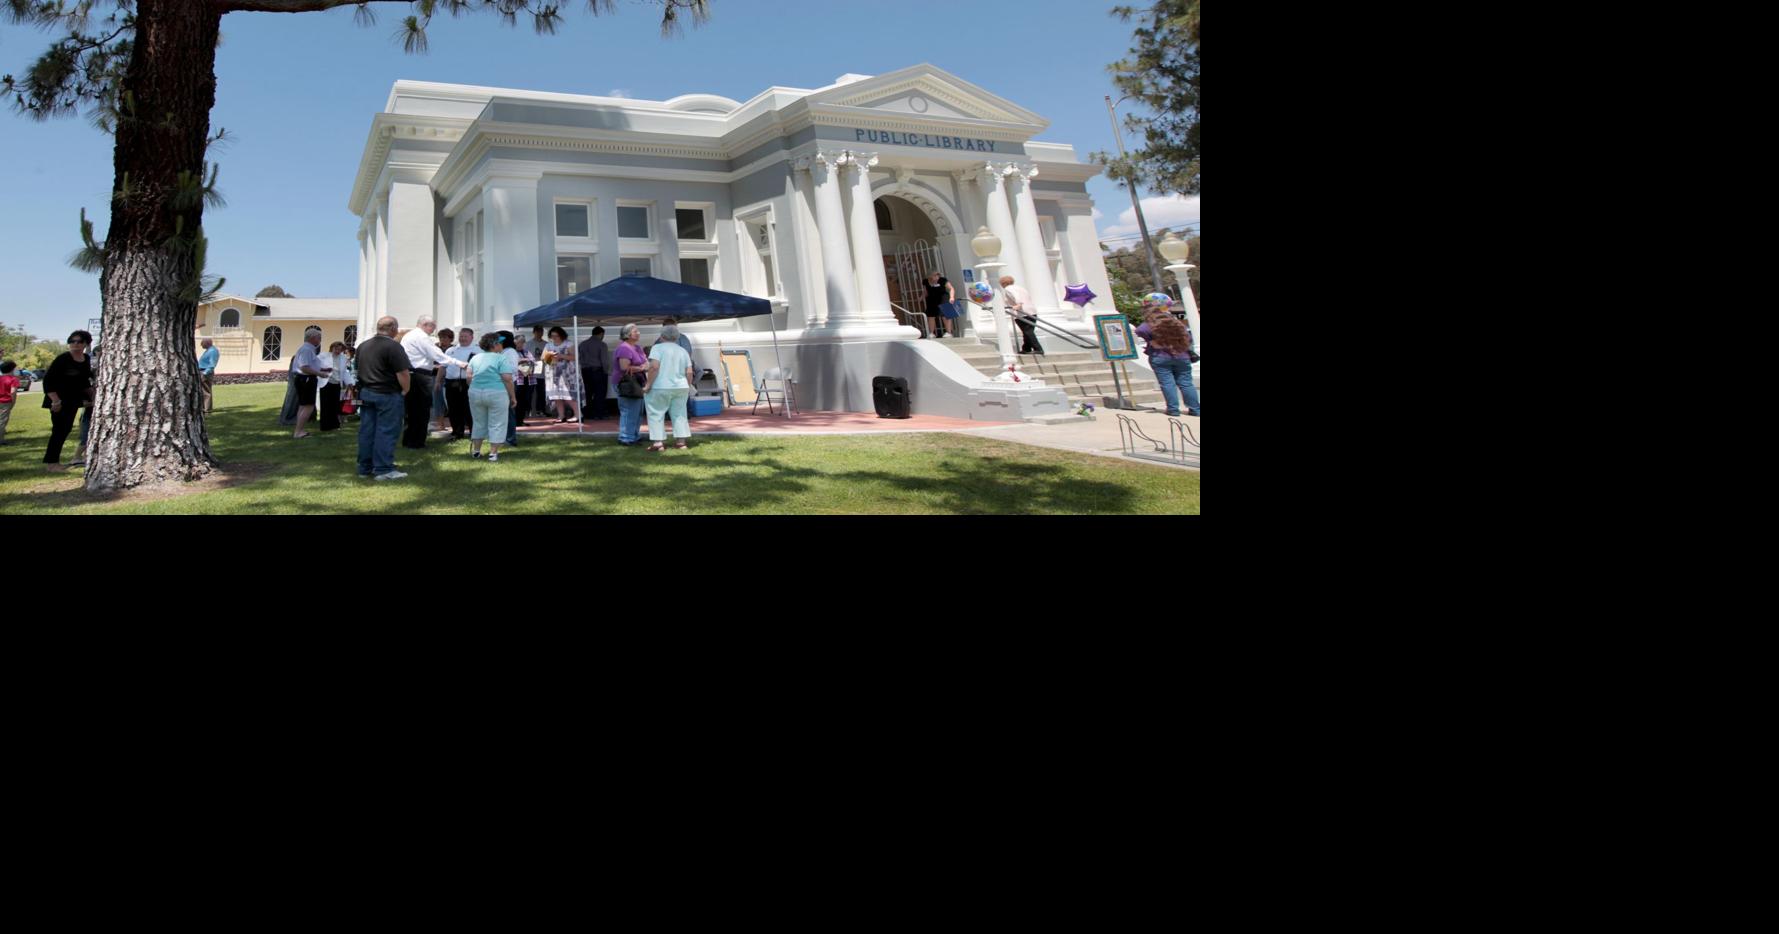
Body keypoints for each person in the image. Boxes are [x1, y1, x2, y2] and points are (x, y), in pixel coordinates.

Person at [355, 316, 412, 480]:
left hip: (366, 392)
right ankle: (383, 469)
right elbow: (402, 372)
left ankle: (364, 468)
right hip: (386, 393)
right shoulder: (393, 346)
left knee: (367, 430)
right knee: (386, 430)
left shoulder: (363, 346)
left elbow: (357, 368)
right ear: (393, 328)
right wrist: (405, 390)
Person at [399, 315, 460, 449]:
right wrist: (457, 362)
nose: (434, 329)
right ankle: (417, 442)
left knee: (411, 410)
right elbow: (435, 354)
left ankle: (409, 440)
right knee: (421, 409)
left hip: (411, 374)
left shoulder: (409, 335)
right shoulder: (421, 337)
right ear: (426, 324)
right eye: (433, 326)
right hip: (420, 376)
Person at [41, 329, 93, 470]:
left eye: (79, 341)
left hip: (73, 400)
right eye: (72, 341)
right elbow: (48, 380)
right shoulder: (63, 358)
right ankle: (52, 464)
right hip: (58, 401)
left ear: (86, 344)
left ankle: (53, 462)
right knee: (59, 430)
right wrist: (55, 400)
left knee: (66, 429)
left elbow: (84, 381)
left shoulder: (86, 359)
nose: (75, 344)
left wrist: (93, 395)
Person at [1136, 307, 1201, 418]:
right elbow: (1188, 338)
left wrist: (1151, 340)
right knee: (1186, 383)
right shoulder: (1176, 323)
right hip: (1182, 356)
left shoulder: (1149, 324)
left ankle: (1173, 409)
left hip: (1160, 356)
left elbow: (1139, 330)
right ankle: (1195, 409)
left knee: (1167, 383)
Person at [644, 322, 696, 451]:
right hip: (681, 386)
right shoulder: (683, 350)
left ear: (662, 336)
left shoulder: (657, 348)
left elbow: (654, 367)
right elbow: (689, 372)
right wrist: (688, 386)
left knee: (656, 414)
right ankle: (681, 442)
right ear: (677, 337)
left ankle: (658, 443)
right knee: (680, 414)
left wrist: (648, 385)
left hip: (660, 386)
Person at [466, 332, 517, 462]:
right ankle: (493, 453)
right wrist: (513, 396)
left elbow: (468, 377)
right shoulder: (501, 358)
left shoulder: (475, 358)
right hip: (497, 393)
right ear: (494, 345)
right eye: (500, 342)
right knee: (497, 422)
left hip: (475, 392)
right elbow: (507, 378)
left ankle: (476, 451)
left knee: (478, 422)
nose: (501, 345)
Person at [288, 326, 328, 439]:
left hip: (304, 379)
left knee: (303, 405)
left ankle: (299, 429)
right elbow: (304, 367)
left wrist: (323, 369)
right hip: (306, 379)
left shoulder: (308, 349)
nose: (320, 340)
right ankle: (298, 431)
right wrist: (320, 374)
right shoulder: (306, 349)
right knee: (308, 406)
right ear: (312, 338)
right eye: (319, 337)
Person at [612, 323, 649, 445]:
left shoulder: (637, 348)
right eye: (635, 331)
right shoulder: (624, 348)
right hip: (626, 384)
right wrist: (642, 368)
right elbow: (624, 367)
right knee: (629, 410)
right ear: (627, 334)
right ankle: (625, 438)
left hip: (637, 383)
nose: (638, 333)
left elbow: (647, 363)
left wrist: (644, 367)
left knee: (637, 411)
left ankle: (634, 435)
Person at [443, 326, 477, 440]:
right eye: (461, 336)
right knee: (453, 408)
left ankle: (474, 432)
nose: (463, 339)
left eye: (465, 336)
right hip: (451, 382)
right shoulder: (450, 350)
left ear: (472, 337)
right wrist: (438, 381)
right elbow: (443, 367)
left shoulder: (478, 350)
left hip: (469, 382)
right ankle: (457, 432)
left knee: (469, 408)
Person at [542, 325, 579, 423]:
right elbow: (544, 359)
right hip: (553, 373)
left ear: (561, 335)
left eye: (556, 336)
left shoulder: (568, 343)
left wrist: (561, 356)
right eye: (552, 336)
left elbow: (574, 357)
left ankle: (578, 415)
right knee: (556, 396)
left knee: (568, 395)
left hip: (567, 373)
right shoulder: (548, 345)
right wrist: (550, 358)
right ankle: (561, 415)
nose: (554, 338)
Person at [1000, 275, 1043, 355]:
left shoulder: (1008, 288)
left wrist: (1018, 304)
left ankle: (1038, 348)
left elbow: (1016, 296)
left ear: (1003, 283)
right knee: (1027, 331)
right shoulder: (1021, 288)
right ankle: (1026, 348)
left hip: (1021, 313)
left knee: (1028, 331)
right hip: (1032, 311)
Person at [495, 331, 523, 447]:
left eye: (499, 340)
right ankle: (503, 438)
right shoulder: (502, 352)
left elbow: (512, 369)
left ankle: (510, 439)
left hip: (508, 384)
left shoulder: (510, 352)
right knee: (502, 413)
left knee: (508, 413)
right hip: (500, 384)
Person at [578, 326, 612, 420]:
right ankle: (599, 413)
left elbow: (579, 358)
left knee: (587, 393)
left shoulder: (582, 344)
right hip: (598, 371)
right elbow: (604, 360)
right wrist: (606, 371)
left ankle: (587, 413)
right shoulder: (602, 344)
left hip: (585, 371)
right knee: (600, 393)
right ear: (601, 334)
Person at [431, 327, 455, 434]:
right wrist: (438, 366)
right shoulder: (434, 348)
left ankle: (453, 424)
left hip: (449, 377)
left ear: (450, 339)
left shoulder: (454, 349)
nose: (442, 340)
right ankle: (440, 424)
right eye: (441, 337)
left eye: (445, 338)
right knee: (437, 400)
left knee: (451, 401)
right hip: (435, 377)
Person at [511, 334, 538, 427]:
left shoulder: (526, 351)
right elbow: (512, 362)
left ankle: (520, 420)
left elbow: (533, 361)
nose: (520, 345)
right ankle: (515, 421)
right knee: (517, 400)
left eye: (522, 343)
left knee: (525, 401)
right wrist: (522, 360)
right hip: (517, 380)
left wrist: (525, 360)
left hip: (528, 379)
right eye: (519, 342)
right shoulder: (512, 352)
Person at [320, 341, 347, 432]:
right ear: (332, 348)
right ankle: (325, 426)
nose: (338, 351)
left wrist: (350, 382)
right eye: (336, 349)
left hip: (337, 383)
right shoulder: (324, 355)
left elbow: (344, 372)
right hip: (326, 382)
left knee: (335, 405)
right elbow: (315, 365)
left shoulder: (343, 358)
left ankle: (335, 425)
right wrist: (324, 369)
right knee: (325, 404)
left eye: (340, 349)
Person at [924, 270, 956, 339]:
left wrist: (952, 297)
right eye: (934, 275)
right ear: (930, 276)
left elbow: (951, 288)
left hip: (943, 298)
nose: (936, 276)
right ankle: (931, 333)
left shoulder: (943, 280)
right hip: (932, 299)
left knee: (945, 315)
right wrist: (921, 297)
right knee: (931, 315)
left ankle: (949, 332)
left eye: (937, 275)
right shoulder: (926, 281)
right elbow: (926, 291)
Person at [529, 325, 550, 416]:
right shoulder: (528, 344)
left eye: (541, 332)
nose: (539, 334)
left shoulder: (546, 344)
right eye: (537, 332)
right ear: (534, 332)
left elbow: (549, 359)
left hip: (543, 371)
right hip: (531, 372)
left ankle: (541, 410)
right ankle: (528, 410)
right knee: (530, 393)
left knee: (542, 392)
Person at [197, 337, 219, 413]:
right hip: (202, 371)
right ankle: (204, 407)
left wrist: (205, 373)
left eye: (202, 343)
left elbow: (212, 364)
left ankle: (207, 409)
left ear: (207, 343)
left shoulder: (213, 351)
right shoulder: (209, 350)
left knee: (206, 391)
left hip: (206, 372)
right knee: (203, 391)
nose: (201, 345)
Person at [0, 360, 17, 445]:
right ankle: (1, 440)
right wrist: (13, 402)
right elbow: (13, 391)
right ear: (12, 369)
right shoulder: (13, 379)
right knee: (3, 421)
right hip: (6, 402)